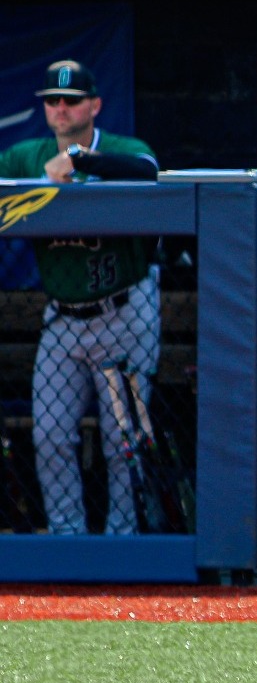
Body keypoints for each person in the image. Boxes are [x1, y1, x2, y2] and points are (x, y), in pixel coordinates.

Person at [0, 60, 161, 535]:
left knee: (121, 441)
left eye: (72, 101)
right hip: (64, 318)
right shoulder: (27, 157)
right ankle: (68, 536)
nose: (62, 109)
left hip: (123, 311)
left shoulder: (120, 149)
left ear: (95, 105)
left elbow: (150, 170)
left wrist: (81, 161)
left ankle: (124, 541)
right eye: (53, 100)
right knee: (49, 435)